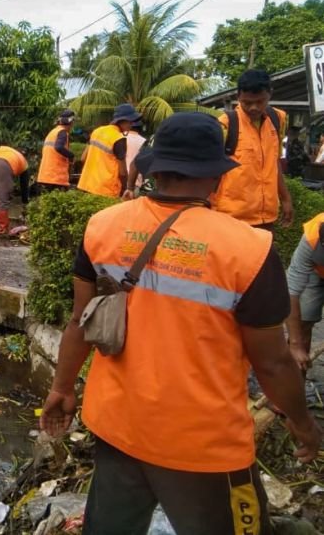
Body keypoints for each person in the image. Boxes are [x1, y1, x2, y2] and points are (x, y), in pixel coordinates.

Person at [40, 112, 321, 535]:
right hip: (204, 445)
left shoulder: (102, 226)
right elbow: (275, 363)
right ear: (217, 176)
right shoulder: (249, 249)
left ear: (154, 167)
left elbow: (80, 321)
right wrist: (303, 424)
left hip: (117, 425)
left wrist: (62, 388)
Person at [214, 69, 293, 230]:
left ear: (270, 94)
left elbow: (274, 162)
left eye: (260, 101)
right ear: (238, 97)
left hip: (266, 218)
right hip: (231, 219)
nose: (254, 108)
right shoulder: (225, 125)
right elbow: (207, 169)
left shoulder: (278, 119)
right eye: (247, 102)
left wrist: (285, 198)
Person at [285, 212, 324, 374]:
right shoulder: (312, 237)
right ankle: (294, 387)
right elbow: (291, 291)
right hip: (317, 270)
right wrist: (295, 344)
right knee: (301, 322)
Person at [77, 103, 139, 198]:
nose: (131, 125)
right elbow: (122, 172)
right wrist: (127, 188)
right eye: (130, 122)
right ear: (123, 121)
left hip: (86, 186)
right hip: (106, 191)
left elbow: (83, 158)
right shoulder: (118, 139)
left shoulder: (97, 131)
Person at [0, 145, 29, 234]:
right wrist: (25, 202)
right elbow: (24, 185)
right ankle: (3, 229)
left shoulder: (9, 151)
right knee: (3, 198)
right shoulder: (23, 162)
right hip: (2, 165)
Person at [37, 109, 76, 191]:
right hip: (56, 177)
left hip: (45, 175)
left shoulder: (53, 132)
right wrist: (71, 156)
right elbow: (58, 147)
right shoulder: (62, 132)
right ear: (71, 122)